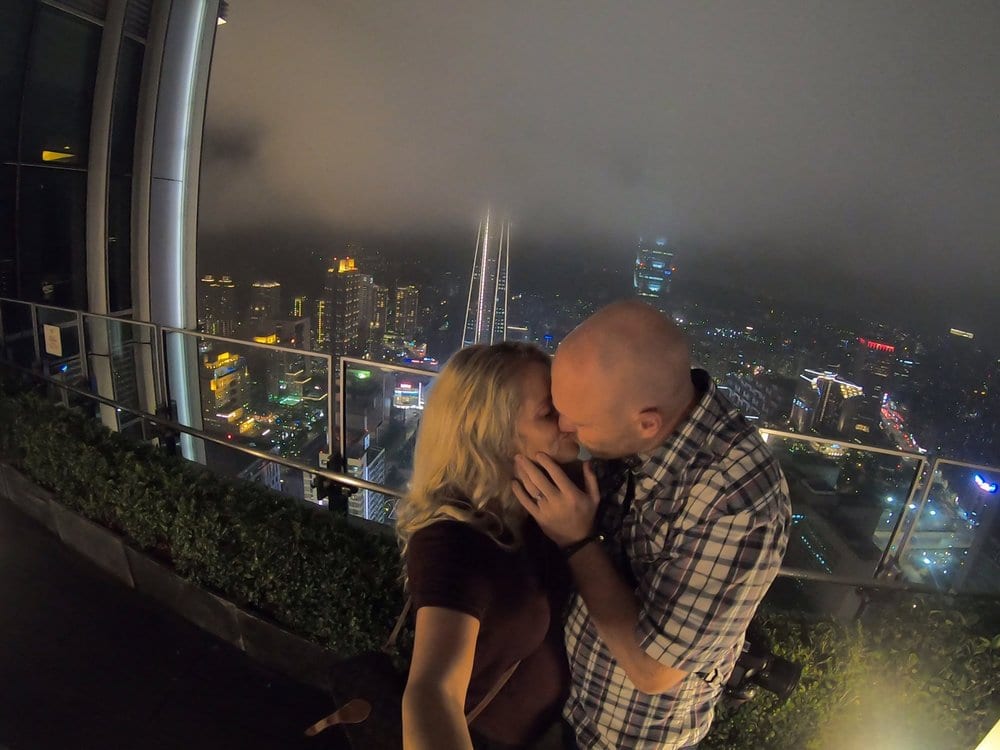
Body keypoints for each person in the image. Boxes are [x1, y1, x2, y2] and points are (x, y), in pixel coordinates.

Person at [513, 300, 791, 749]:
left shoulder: (737, 501)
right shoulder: (641, 422)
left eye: (577, 421)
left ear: (647, 423)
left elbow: (653, 669)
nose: (565, 426)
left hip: (627, 737)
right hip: (567, 704)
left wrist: (577, 541)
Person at [398, 342, 579, 750]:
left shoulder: (541, 505)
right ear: (494, 435)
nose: (570, 420)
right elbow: (432, 691)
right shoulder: (452, 541)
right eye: (549, 412)